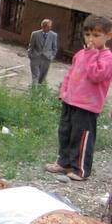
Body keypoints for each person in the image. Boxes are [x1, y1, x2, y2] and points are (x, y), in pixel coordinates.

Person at [45, 15, 112, 181]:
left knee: (81, 137)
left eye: (96, 36)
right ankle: (64, 162)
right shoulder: (81, 54)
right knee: (65, 133)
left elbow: (96, 75)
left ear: (108, 35)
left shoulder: (107, 58)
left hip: (87, 105)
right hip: (70, 101)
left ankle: (80, 169)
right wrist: (64, 92)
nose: (91, 39)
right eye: (88, 35)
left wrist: (92, 55)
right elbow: (71, 73)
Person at [28, 19, 58, 86]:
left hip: (46, 59)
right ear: (43, 26)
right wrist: (30, 55)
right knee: (35, 76)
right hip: (35, 58)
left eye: (50, 26)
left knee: (42, 78)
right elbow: (31, 46)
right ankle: (33, 92)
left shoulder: (54, 35)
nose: (49, 28)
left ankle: (39, 93)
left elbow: (54, 48)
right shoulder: (35, 34)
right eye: (47, 26)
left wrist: (52, 57)